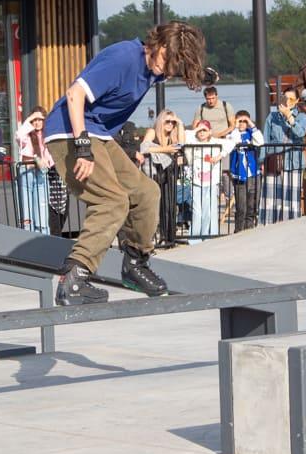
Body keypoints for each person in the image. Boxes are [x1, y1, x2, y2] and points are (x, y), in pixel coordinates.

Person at [43, 20, 211, 304]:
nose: (167, 71)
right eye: (167, 62)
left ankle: (135, 264)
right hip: (70, 131)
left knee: (147, 192)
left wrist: (199, 74)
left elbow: (175, 64)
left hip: (100, 134)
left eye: (175, 67)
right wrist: (82, 146)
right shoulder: (123, 58)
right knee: (112, 201)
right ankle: (74, 278)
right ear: (156, 45)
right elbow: (75, 94)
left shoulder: (153, 68)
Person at [140, 110, 187, 246]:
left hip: (170, 173)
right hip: (155, 173)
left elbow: (181, 146)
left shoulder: (173, 136)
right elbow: (144, 148)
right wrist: (165, 149)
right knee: (157, 206)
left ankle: (169, 236)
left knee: (170, 205)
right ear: (161, 121)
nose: (170, 124)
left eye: (173, 122)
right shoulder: (152, 132)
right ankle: (154, 237)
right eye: (168, 121)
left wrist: (181, 124)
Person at [263, 88, 306, 222]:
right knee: (271, 200)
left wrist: (289, 116)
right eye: (285, 98)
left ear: (297, 101)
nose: (288, 102)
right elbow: (266, 141)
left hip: (294, 162)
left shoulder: (301, 117)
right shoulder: (272, 117)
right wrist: (263, 162)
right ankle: (269, 227)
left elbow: (300, 134)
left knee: (292, 200)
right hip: (274, 161)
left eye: (292, 99)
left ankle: (292, 227)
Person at [15, 108, 53, 234]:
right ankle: (27, 237)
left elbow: (50, 157)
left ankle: (43, 238)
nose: (37, 123)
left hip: (41, 173)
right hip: (26, 173)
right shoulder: (27, 134)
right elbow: (18, 135)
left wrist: (43, 161)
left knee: (42, 210)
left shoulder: (47, 135)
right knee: (26, 211)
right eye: (34, 120)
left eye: (40, 119)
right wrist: (29, 119)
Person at [227, 110, 265, 232]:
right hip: (239, 175)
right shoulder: (231, 134)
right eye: (240, 121)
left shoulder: (252, 133)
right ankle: (238, 231)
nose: (242, 123)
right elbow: (236, 141)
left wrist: (251, 124)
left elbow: (260, 142)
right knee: (241, 207)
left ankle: (250, 230)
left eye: (245, 121)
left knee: (252, 206)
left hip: (253, 173)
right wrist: (235, 125)